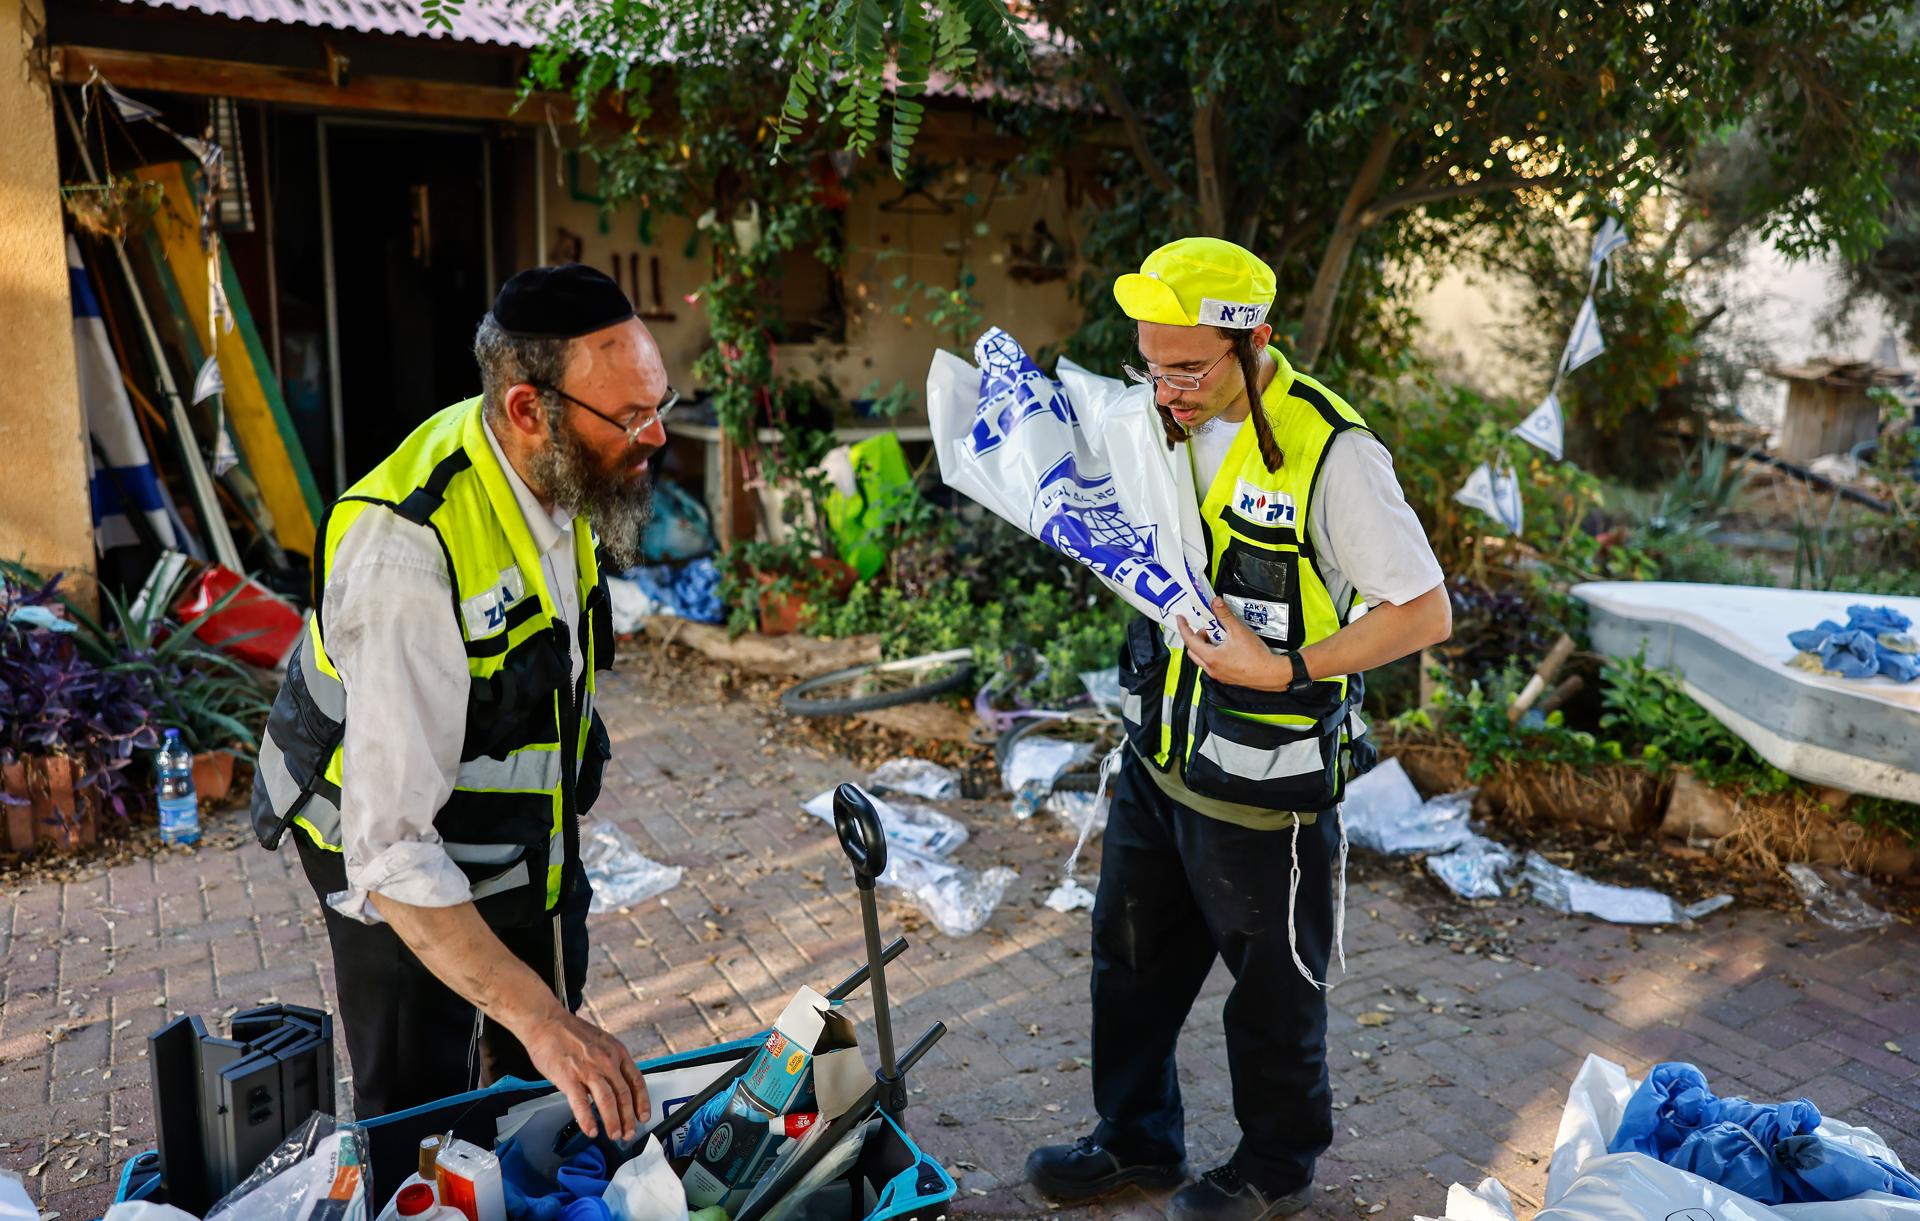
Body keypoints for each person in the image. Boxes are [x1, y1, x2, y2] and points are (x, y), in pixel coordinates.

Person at [1025, 238, 1452, 1221]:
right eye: (1151, 366)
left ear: (1254, 341)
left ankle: (1275, 1167)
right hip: (1159, 762)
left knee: (1271, 995)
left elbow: (1424, 611)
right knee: (1128, 963)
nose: (1166, 391)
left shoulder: (1332, 452)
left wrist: (1286, 667)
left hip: (1267, 789)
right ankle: (1136, 1139)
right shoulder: (1152, 424)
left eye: (1187, 369)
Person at [251, 264, 672, 1140]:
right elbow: (393, 852)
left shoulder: (554, 469)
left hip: (520, 835)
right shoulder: (403, 557)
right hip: (385, 863)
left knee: (536, 1088)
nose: (658, 435)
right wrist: (543, 1020)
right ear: (528, 409)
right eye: (631, 417)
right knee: (422, 1117)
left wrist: (542, 1021)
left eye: (659, 403)